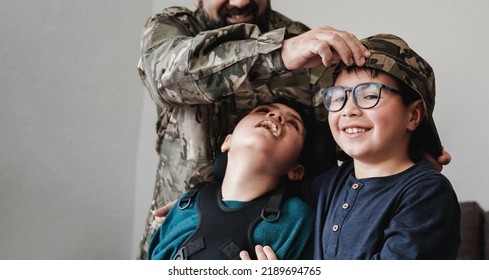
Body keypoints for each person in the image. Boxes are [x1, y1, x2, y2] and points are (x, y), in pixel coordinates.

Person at [136, 0, 374, 259]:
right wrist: (201, 205)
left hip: (272, 241)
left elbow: (356, 142)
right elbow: (166, 74)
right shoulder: (175, 27)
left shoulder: (308, 48)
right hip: (179, 231)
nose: (241, 2)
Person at [243, 33, 461, 260]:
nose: (349, 110)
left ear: (413, 115)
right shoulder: (329, 184)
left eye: (369, 95)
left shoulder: (427, 193)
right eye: (337, 98)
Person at [147, 101, 316, 260]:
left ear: (296, 171)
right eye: (263, 111)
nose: (276, 116)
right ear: (227, 141)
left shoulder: (295, 218)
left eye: (293, 124)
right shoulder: (186, 204)